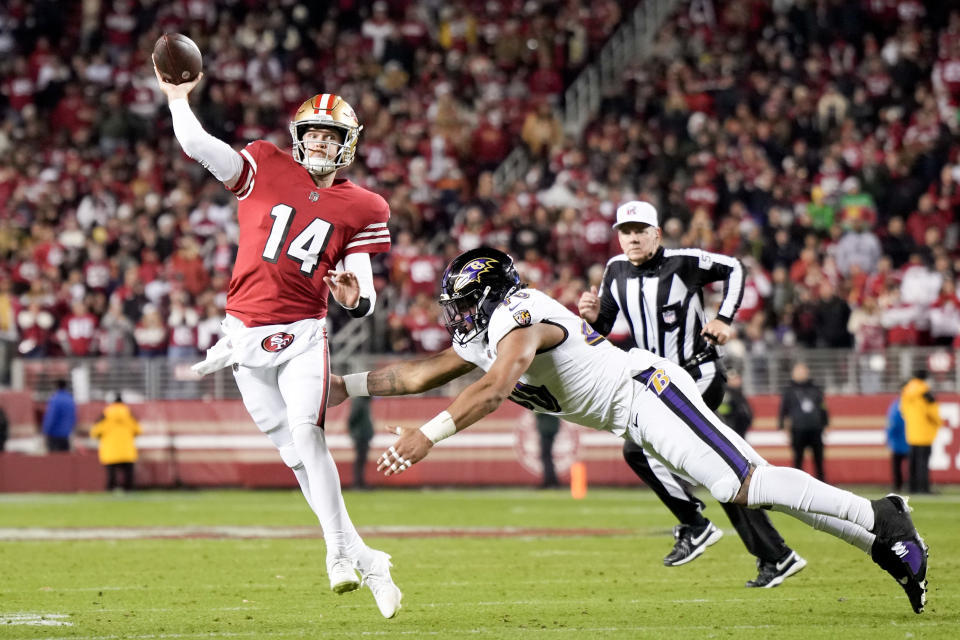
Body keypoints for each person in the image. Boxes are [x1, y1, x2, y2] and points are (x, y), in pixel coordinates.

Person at [329, 247, 929, 614]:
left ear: (492, 296)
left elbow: (492, 390)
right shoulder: (490, 329)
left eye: (465, 303)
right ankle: (883, 541)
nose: (458, 317)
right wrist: (343, 386)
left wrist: (428, 434)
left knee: (742, 484)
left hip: (647, 393)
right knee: (749, 484)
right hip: (632, 412)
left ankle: (883, 516)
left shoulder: (521, 314)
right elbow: (414, 374)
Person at [154, 61, 401, 618]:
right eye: (312, 131)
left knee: (306, 433)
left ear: (348, 144)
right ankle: (369, 559)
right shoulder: (262, 164)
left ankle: (339, 552)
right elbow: (194, 141)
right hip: (243, 333)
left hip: (303, 331)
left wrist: (351, 296)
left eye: (330, 134)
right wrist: (176, 96)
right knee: (294, 456)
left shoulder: (364, 206)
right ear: (297, 137)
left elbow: (365, 291)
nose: (319, 140)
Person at [576, 201, 804, 589]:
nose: (631, 237)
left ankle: (693, 523)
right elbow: (608, 323)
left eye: (640, 229)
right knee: (716, 471)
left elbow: (734, 267)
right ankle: (775, 556)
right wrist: (593, 315)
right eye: (625, 230)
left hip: (698, 372)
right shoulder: (615, 271)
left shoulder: (683, 262)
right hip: (659, 383)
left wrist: (724, 317)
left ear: (656, 233)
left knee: (637, 449)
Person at [778, 362, 829, 481]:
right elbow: (783, 411)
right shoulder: (789, 391)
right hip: (797, 429)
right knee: (798, 459)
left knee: (819, 460)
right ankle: (797, 483)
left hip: (815, 429)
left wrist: (825, 423)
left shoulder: (815, 389)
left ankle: (822, 483)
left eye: (803, 371)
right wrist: (785, 429)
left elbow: (823, 407)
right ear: (793, 374)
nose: (801, 374)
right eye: (798, 371)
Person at [90, 393, 142, 491]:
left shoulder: (105, 414)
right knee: (128, 474)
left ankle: (111, 488)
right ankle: (129, 489)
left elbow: (95, 432)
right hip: (127, 450)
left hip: (110, 450)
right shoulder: (129, 413)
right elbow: (138, 430)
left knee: (111, 474)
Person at [901, 370, 942, 494]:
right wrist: (938, 423)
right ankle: (924, 488)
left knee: (913, 462)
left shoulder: (906, 392)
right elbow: (933, 413)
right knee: (923, 463)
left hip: (912, 433)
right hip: (924, 433)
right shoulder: (926, 393)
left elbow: (903, 410)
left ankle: (912, 487)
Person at [347, 396, 374, 489]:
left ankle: (360, 482)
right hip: (360, 435)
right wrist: (355, 432)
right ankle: (358, 483)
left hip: (363, 435)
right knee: (360, 460)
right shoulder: (359, 401)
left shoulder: (363, 401)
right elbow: (352, 418)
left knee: (362, 460)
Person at [42, 379, 76, 452]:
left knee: (54, 460)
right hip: (66, 434)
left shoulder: (55, 399)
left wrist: (45, 431)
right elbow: (74, 417)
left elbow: (51, 417)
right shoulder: (70, 399)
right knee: (65, 458)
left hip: (54, 434)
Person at [716, 369, 752, 438]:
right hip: (731, 428)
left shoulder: (738, 393)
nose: (737, 380)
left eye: (737, 378)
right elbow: (723, 411)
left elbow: (746, 410)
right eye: (734, 379)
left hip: (740, 428)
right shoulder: (725, 394)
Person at [886, 394, 909, 494]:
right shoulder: (909, 404)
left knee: (897, 466)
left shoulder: (895, 406)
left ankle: (897, 486)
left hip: (898, 442)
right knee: (910, 466)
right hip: (908, 441)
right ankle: (910, 485)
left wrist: (889, 440)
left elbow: (891, 425)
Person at [535, 413, 560, 488]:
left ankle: (550, 481)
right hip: (550, 428)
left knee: (545, 456)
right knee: (547, 456)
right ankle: (552, 481)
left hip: (546, 430)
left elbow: (536, 411)